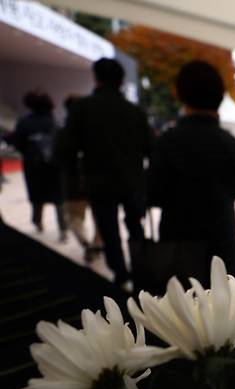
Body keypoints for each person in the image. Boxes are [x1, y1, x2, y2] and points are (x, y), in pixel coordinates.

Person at [148, 60, 235, 278]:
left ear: (180, 94)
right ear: (220, 96)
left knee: (180, 309)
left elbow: (153, 194)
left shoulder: (167, 142)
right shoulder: (232, 144)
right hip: (223, 244)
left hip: (179, 246)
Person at [61, 58, 153, 286]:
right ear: (121, 81)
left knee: (108, 229)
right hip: (132, 180)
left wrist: (75, 178)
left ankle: (120, 273)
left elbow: (68, 147)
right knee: (135, 226)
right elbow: (151, 148)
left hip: (98, 180)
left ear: (96, 78)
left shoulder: (83, 108)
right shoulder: (135, 112)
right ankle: (141, 270)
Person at [9, 91, 67, 241]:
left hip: (33, 165)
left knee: (36, 195)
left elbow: (18, 143)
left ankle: (38, 221)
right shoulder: (53, 122)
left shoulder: (24, 122)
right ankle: (63, 229)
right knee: (58, 198)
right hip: (54, 165)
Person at [54, 95, 103, 262]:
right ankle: (97, 244)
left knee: (74, 218)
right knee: (101, 217)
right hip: (96, 181)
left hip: (72, 182)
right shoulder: (96, 130)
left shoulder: (63, 132)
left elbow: (57, 158)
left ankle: (86, 243)